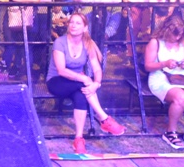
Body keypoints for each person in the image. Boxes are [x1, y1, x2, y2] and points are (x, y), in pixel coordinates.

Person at [47, 12, 125, 154]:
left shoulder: (88, 43)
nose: (73, 25)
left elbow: (97, 68)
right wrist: (84, 79)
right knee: (84, 85)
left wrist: (96, 83)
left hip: (77, 84)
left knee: (82, 96)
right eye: (71, 22)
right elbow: (61, 70)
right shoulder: (60, 42)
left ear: (85, 28)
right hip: (57, 82)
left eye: (78, 23)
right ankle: (104, 118)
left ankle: (78, 139)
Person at [145, 14, 184, 150]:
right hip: (160, 76)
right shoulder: (156, 42)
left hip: (181, 76)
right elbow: (148, 66)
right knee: (180, 97)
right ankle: (170, 131)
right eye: (174, 35)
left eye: (180, 35)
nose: (177, 38)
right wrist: (164, 63)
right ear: (167, 30)